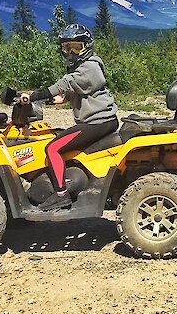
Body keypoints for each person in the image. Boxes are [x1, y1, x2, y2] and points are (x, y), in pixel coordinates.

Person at [20, 24, 119, 211]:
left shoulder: (91, 67)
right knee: (57, 137)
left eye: (76, 47)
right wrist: (41, 102)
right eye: (67, 48)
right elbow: (63, 97)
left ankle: (60, 194)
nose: (71, 52)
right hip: (100, 121)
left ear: (87, 46)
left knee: (52, 148)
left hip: (97, 122)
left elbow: (65, 84)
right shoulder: (82, 68)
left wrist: (33, 95)